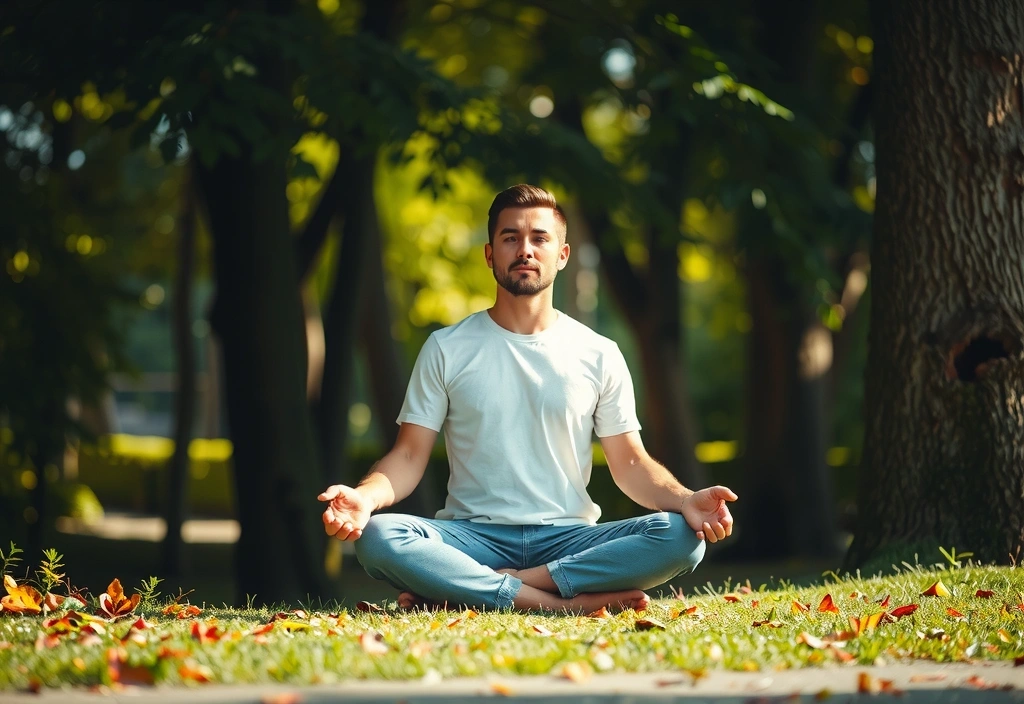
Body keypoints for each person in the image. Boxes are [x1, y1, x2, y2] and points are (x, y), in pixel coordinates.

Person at [318, 184, 737, 613]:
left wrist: (685, 500)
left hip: (570, 539)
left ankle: (484, 587)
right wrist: (364, 498)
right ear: (489, 254)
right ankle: (557, 603)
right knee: (379, 537)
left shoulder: (599, 353)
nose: (525, 250)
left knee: (682, 538)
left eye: (539, 238)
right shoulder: (446, 348)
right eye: (510, 238)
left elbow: (630, 463)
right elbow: (408, 456)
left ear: (563, 255)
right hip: (471, 539)